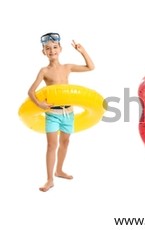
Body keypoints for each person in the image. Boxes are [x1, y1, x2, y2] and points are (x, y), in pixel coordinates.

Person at [27, 32, 95, 192]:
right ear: (44, 52)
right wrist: (39, 104)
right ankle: (50, 179)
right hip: (52, 114)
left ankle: (59, 170)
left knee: (65, 142)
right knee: (52, 146)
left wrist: (82, 51)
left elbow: (91, 67)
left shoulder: (67, 68)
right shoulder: (44, 71)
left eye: (55, 47)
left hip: (68, 113)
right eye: (48, 48)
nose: (52, 51)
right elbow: (30, 91)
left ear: (60, 49)